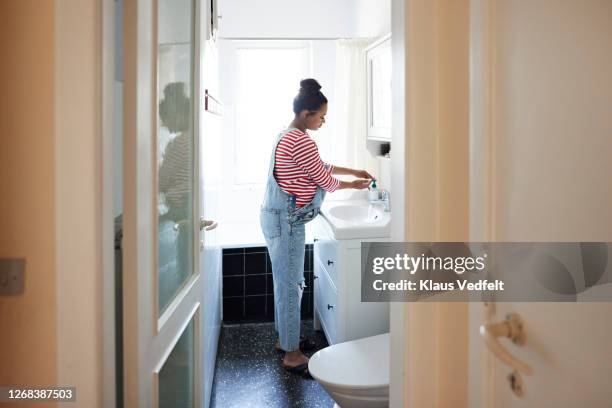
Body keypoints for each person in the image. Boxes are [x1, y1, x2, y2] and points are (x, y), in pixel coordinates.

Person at [260, 78, 374, 377]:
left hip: (278, 217)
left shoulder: (286, 135)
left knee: (285, 283)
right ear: (307, 114)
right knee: (290, 285)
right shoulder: (300, 140)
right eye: (321, 117)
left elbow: (320, 166)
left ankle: (285, 339)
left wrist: (354, 170)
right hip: (286, 221)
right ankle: (292, 355)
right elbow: (326, 181)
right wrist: (356, 184)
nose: (323, 122)